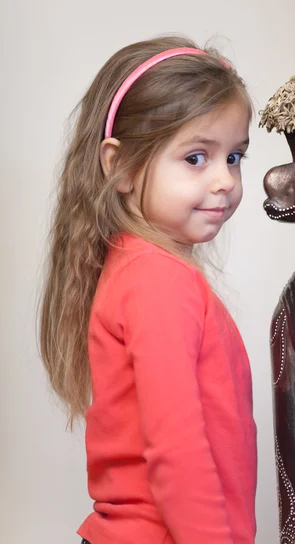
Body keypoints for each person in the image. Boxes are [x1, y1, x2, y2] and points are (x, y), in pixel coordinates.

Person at [39, 36, 257, 544]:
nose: (225, 180)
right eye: (197, 157)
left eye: (236, 157)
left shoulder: (138, 269)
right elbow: (178, 449)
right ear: (119, 166)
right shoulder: (158, 280)